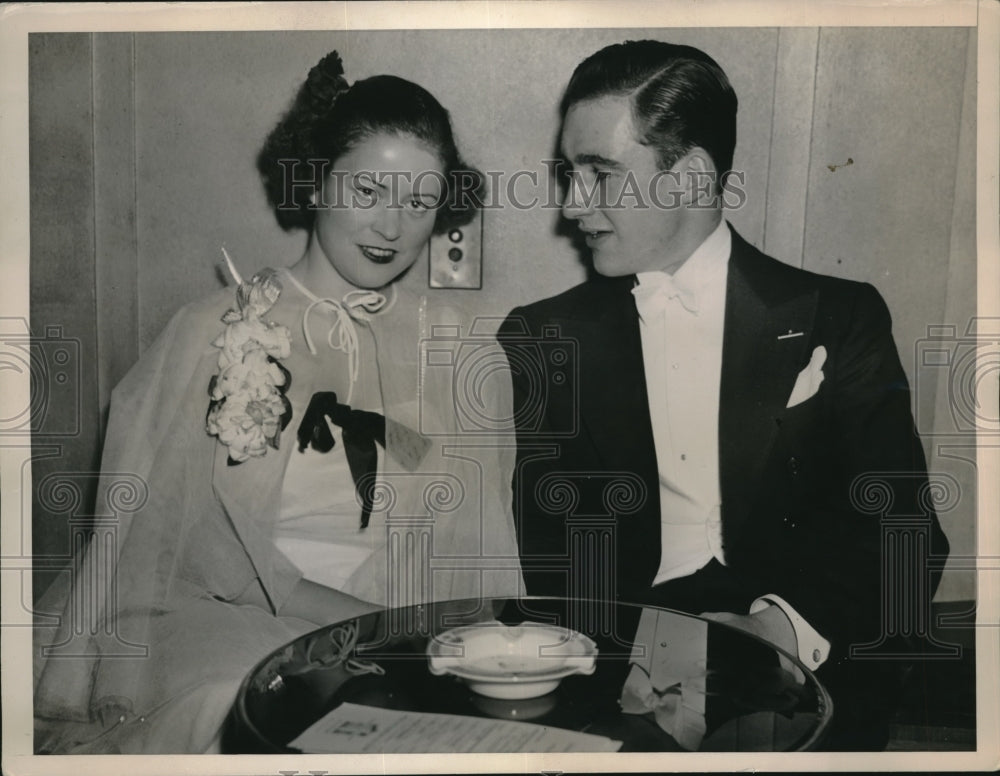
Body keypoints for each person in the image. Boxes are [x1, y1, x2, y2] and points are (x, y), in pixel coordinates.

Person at [33, 50, 521, 754]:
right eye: (369, 192)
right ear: (317, 180)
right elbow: (180, 545)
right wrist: (357, 625)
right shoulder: (212, 331)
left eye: (418, 203)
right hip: (224, 619)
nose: (392, 227)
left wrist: (423, 632)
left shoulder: (461, 350)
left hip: (403, 624)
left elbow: (476, 553)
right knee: (248, 708)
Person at [499, 39, 949, 749]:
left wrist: (779, 630)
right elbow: (553, 554)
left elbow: (905, 533)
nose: (570, 204)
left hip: (810, 660)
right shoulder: (544, 337)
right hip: (620, 678)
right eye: (568, 173)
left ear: (691, 178)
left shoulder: (839, 315)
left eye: (599, 174)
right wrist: (630, 661)